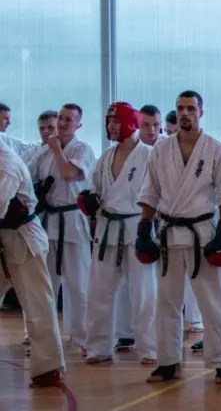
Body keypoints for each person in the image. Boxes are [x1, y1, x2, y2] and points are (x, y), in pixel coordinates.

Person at [137, 90, 221, 384]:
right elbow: (150, 191)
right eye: (180, 108)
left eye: (191, 108)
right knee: (166, 302)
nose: (185, 113)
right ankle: (168, 362)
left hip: (203, 234)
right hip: (169, 234)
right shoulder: (161, 149)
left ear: (201, 113)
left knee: (212, 301)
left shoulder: (216, 149)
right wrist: (143, 228)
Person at [80, 102, 157, 366]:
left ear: (130, 123)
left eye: (116, 121)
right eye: (109, 121)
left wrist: (150, 228)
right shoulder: (105, 156)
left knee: (143, 293)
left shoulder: (149, 155)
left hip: (137, 226)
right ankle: (98, 347)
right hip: (107, 227)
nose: (111, 126)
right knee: (98, 291)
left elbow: (157, 192)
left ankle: (149, 347)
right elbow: (94, 186)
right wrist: (89, 198)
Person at [27, 103, 95, 354]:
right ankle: (44, 339)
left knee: (79, 285)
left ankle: (83, 338)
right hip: (47, 222)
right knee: (45, 286)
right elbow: (28, 177)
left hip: (73, 221)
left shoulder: (83, 149)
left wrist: (56, 149)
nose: (64, 123)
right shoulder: (42, 152)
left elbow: (69, 174)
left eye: (69, 120)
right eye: (62, 119)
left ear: (79, 124)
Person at [0, 141, 65, 387]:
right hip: (4, 238)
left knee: (37, 303)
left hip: (23, 238)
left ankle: (48, 366)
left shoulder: (6, 164)